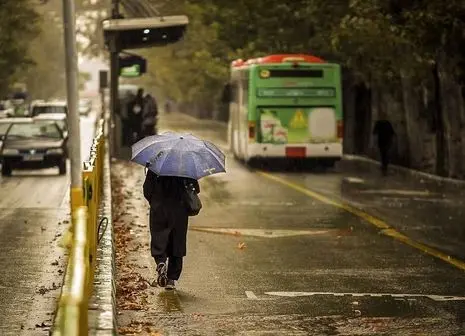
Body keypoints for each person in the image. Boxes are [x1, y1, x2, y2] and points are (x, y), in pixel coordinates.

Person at [143, 169, 200, 290]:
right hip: (179, 209)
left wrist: (154, 201)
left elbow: (147, 189)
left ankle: (161, 262)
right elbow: (195, 189)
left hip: (159, 207)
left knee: (159, 237)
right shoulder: (186, 166)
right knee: (177, 241)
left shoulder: (156, 166)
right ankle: (171, 279)